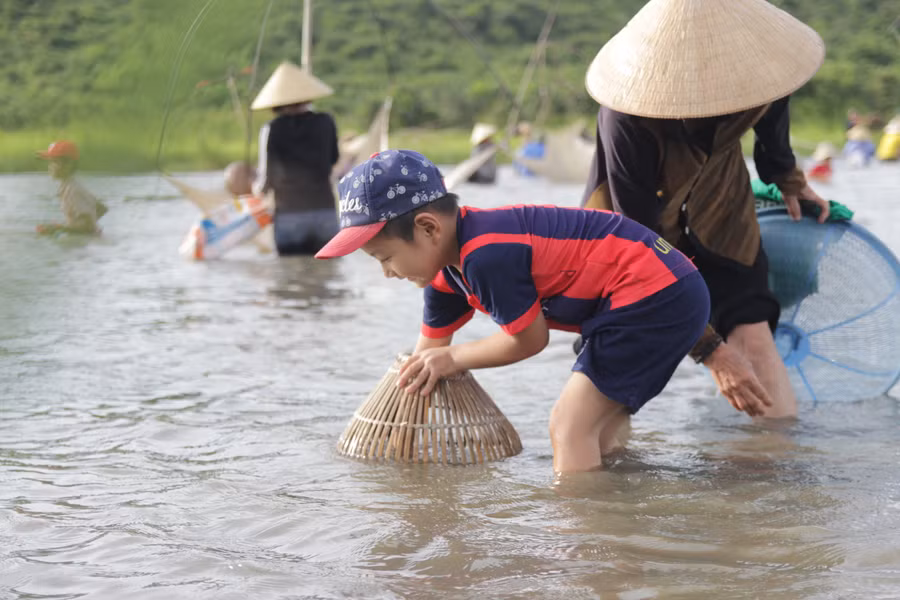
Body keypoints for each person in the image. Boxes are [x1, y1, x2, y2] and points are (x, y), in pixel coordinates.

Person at [315, 149, 712, 473]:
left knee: (568, 427)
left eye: (385, 258)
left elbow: (530, 339)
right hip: (650, 295)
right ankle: (619, 512)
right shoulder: (445, 273)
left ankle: (581, 534)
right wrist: (399, 434)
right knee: (598, 432)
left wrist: (453, 358)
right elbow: (425, 359)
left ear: (429, 228)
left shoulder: (487, 255)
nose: (387, 273)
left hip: (655, 294)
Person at [581, 0, 830, 419]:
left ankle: (777, 455)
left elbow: (773, 131)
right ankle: (606, 455)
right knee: (617, 359)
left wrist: (789, 179)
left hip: (722, 207)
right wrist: (710, 350)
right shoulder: (627, 118)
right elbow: (639, 244)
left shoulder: (762, 73)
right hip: (634, 230)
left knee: (752, 332)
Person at [250, 61, 339, 255]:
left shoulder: (271, 129)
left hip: (290, 215)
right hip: (324, 212)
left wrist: (254, 191)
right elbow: (333, 159)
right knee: (327, 268)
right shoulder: (326, 122)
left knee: (290, 270)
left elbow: (266, 180)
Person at [35, 140, 107, 235]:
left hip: (86, 241)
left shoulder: (72, 190)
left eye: (54, 162)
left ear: (68, 165)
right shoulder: (70, 185)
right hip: (89, 239)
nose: (50, 166)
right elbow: (101, 209)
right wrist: (70, 225)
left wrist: (59, 228)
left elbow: (86, 226)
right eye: (49, 162)